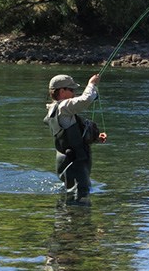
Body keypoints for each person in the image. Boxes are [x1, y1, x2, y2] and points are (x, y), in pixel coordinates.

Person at [44, 73, 107, 205]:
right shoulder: (63, 107)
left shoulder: (53, 109)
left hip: (66, 159)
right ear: (62, 91)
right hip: (75, 161)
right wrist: (92, 84)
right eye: (72, 90)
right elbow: (85, 100)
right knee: (80, 195)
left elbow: (69, 136)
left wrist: (95, 138)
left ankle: (69, 220)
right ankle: (78, 222)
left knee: (73, 193)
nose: (74, 93)